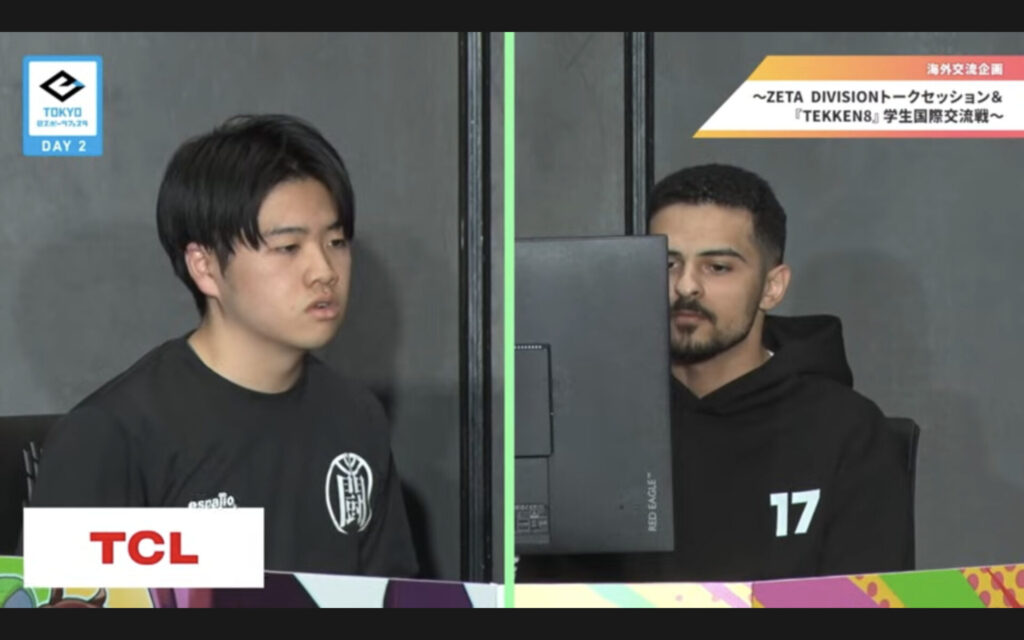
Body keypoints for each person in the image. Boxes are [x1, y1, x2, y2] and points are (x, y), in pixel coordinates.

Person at [26, 114, 419, 578]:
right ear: (205, 266)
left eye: (336, 241)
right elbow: (64, 603)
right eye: (289, 248)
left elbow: (393, 595)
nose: (324, 271)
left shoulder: (355, 417)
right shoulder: (113, 436)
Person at [518, 163, 913, 582]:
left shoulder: (846, 432)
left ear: (772, 287)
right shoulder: (587, 426)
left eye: (717, 267)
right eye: (667, 263)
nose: (686, 286)